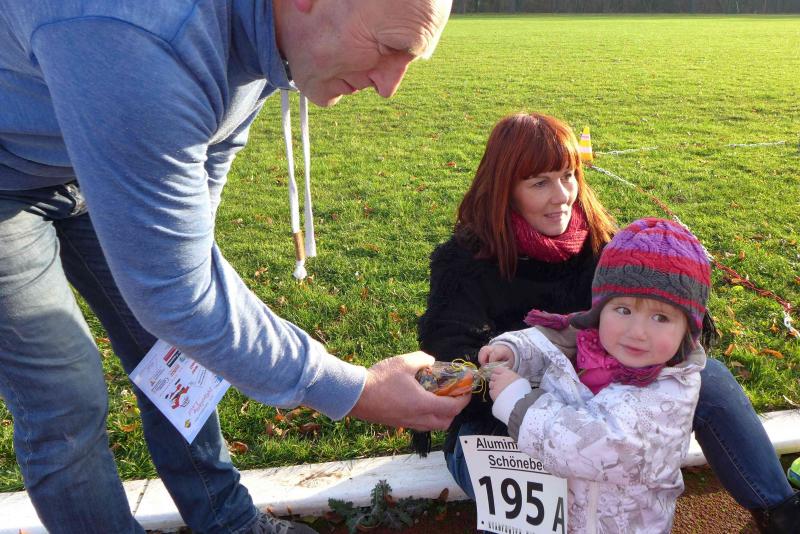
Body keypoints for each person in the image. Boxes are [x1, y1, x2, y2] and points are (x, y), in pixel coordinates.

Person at [0, 1, 467, 533]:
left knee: (180, 356)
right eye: (388, 49)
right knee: (66, 400)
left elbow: (212, 157)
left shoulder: (268, 34)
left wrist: (197, 297)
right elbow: (178, 295)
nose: (389, 86)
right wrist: (354, 389)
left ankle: (229, 523)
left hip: (101, 156)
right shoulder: (143, 30)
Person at [417, 112, 800, 533]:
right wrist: (537, 374)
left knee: (709, 376)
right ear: (504, 189)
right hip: (497, 424)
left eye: (568, 175)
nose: (562, 196)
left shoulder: (606, 245)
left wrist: (620, 372)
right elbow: (454, 358)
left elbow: (687, 328)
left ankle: (781, 511)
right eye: (539, 183)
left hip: (608, 402)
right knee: (555, 491)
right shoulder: (462, 261)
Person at [481, 217, 709, 533]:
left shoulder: (667, 394)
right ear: (599, 312)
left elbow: (591, 446)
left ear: (688, 330)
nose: (637, 331)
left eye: (660, 317)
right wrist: (514, 351)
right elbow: (552, 342)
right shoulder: (590, 345)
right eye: (623, 310)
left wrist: (518, 403)